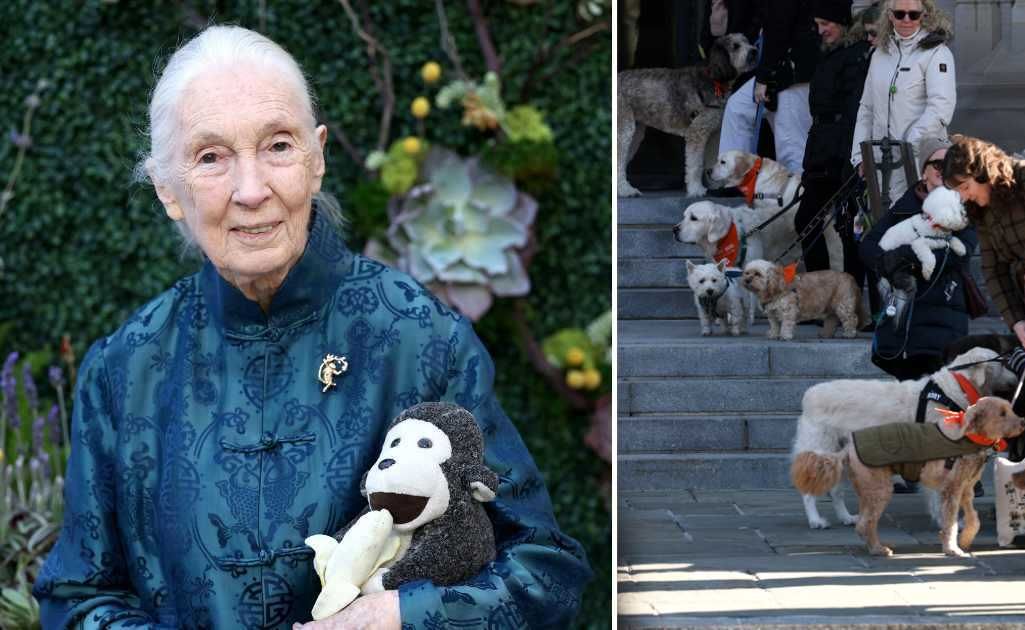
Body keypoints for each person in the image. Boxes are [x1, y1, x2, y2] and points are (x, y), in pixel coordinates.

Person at [33, 26, 591, 629]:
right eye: (211, 157)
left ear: (317, 157)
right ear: (169, 189)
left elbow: (545, 573)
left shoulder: (419, 337)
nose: (251, 191)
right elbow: (77, 596)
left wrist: (397, 616)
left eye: (277, 146)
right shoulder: (126, 367)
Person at [941, 135, 1025, 357]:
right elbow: (993, 271)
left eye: (965, 187)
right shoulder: (981, 210)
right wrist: (1017, 323)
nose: (964, 197)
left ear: (981, 172)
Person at [860, 135, 975, 381]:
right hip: (903, 328)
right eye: (938, 165)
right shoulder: (904, 206)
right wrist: (886, 263)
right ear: (924, 171)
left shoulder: (963, 206)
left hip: (943, 320)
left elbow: (959, 251)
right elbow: (868, 247)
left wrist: (903, 257)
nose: (945, 171)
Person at [851, 0, 956, 209]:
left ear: (923, 15)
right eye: (900, 14)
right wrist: (859, 155)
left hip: (919, 161)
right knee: (881, 231)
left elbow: (941, 108)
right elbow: (866, 108)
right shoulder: (879, 54)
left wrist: (909, 143)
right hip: (880, 162)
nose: (906, 20)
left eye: (913, 15)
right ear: (890, 16)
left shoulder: (937, 53)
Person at [791, 0, 871, 273]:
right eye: (818, 25)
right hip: (822, 153)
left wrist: (848, 159)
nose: (821, 30)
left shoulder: (857, 55)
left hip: (844, 154)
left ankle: (852, 298)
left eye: (826, 24)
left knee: (849, 228)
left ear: (841, 23)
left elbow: (854, 110)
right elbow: (820, 116)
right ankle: (820, 290)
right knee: (806, 219)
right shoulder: (829, 54)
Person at [717, 1, 819, 176]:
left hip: (794, 68)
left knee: (791, 143)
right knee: (738, 108)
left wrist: (764, 76)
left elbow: (779, 26)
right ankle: (733, 176)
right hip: (786, 65)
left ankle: (797, 196)